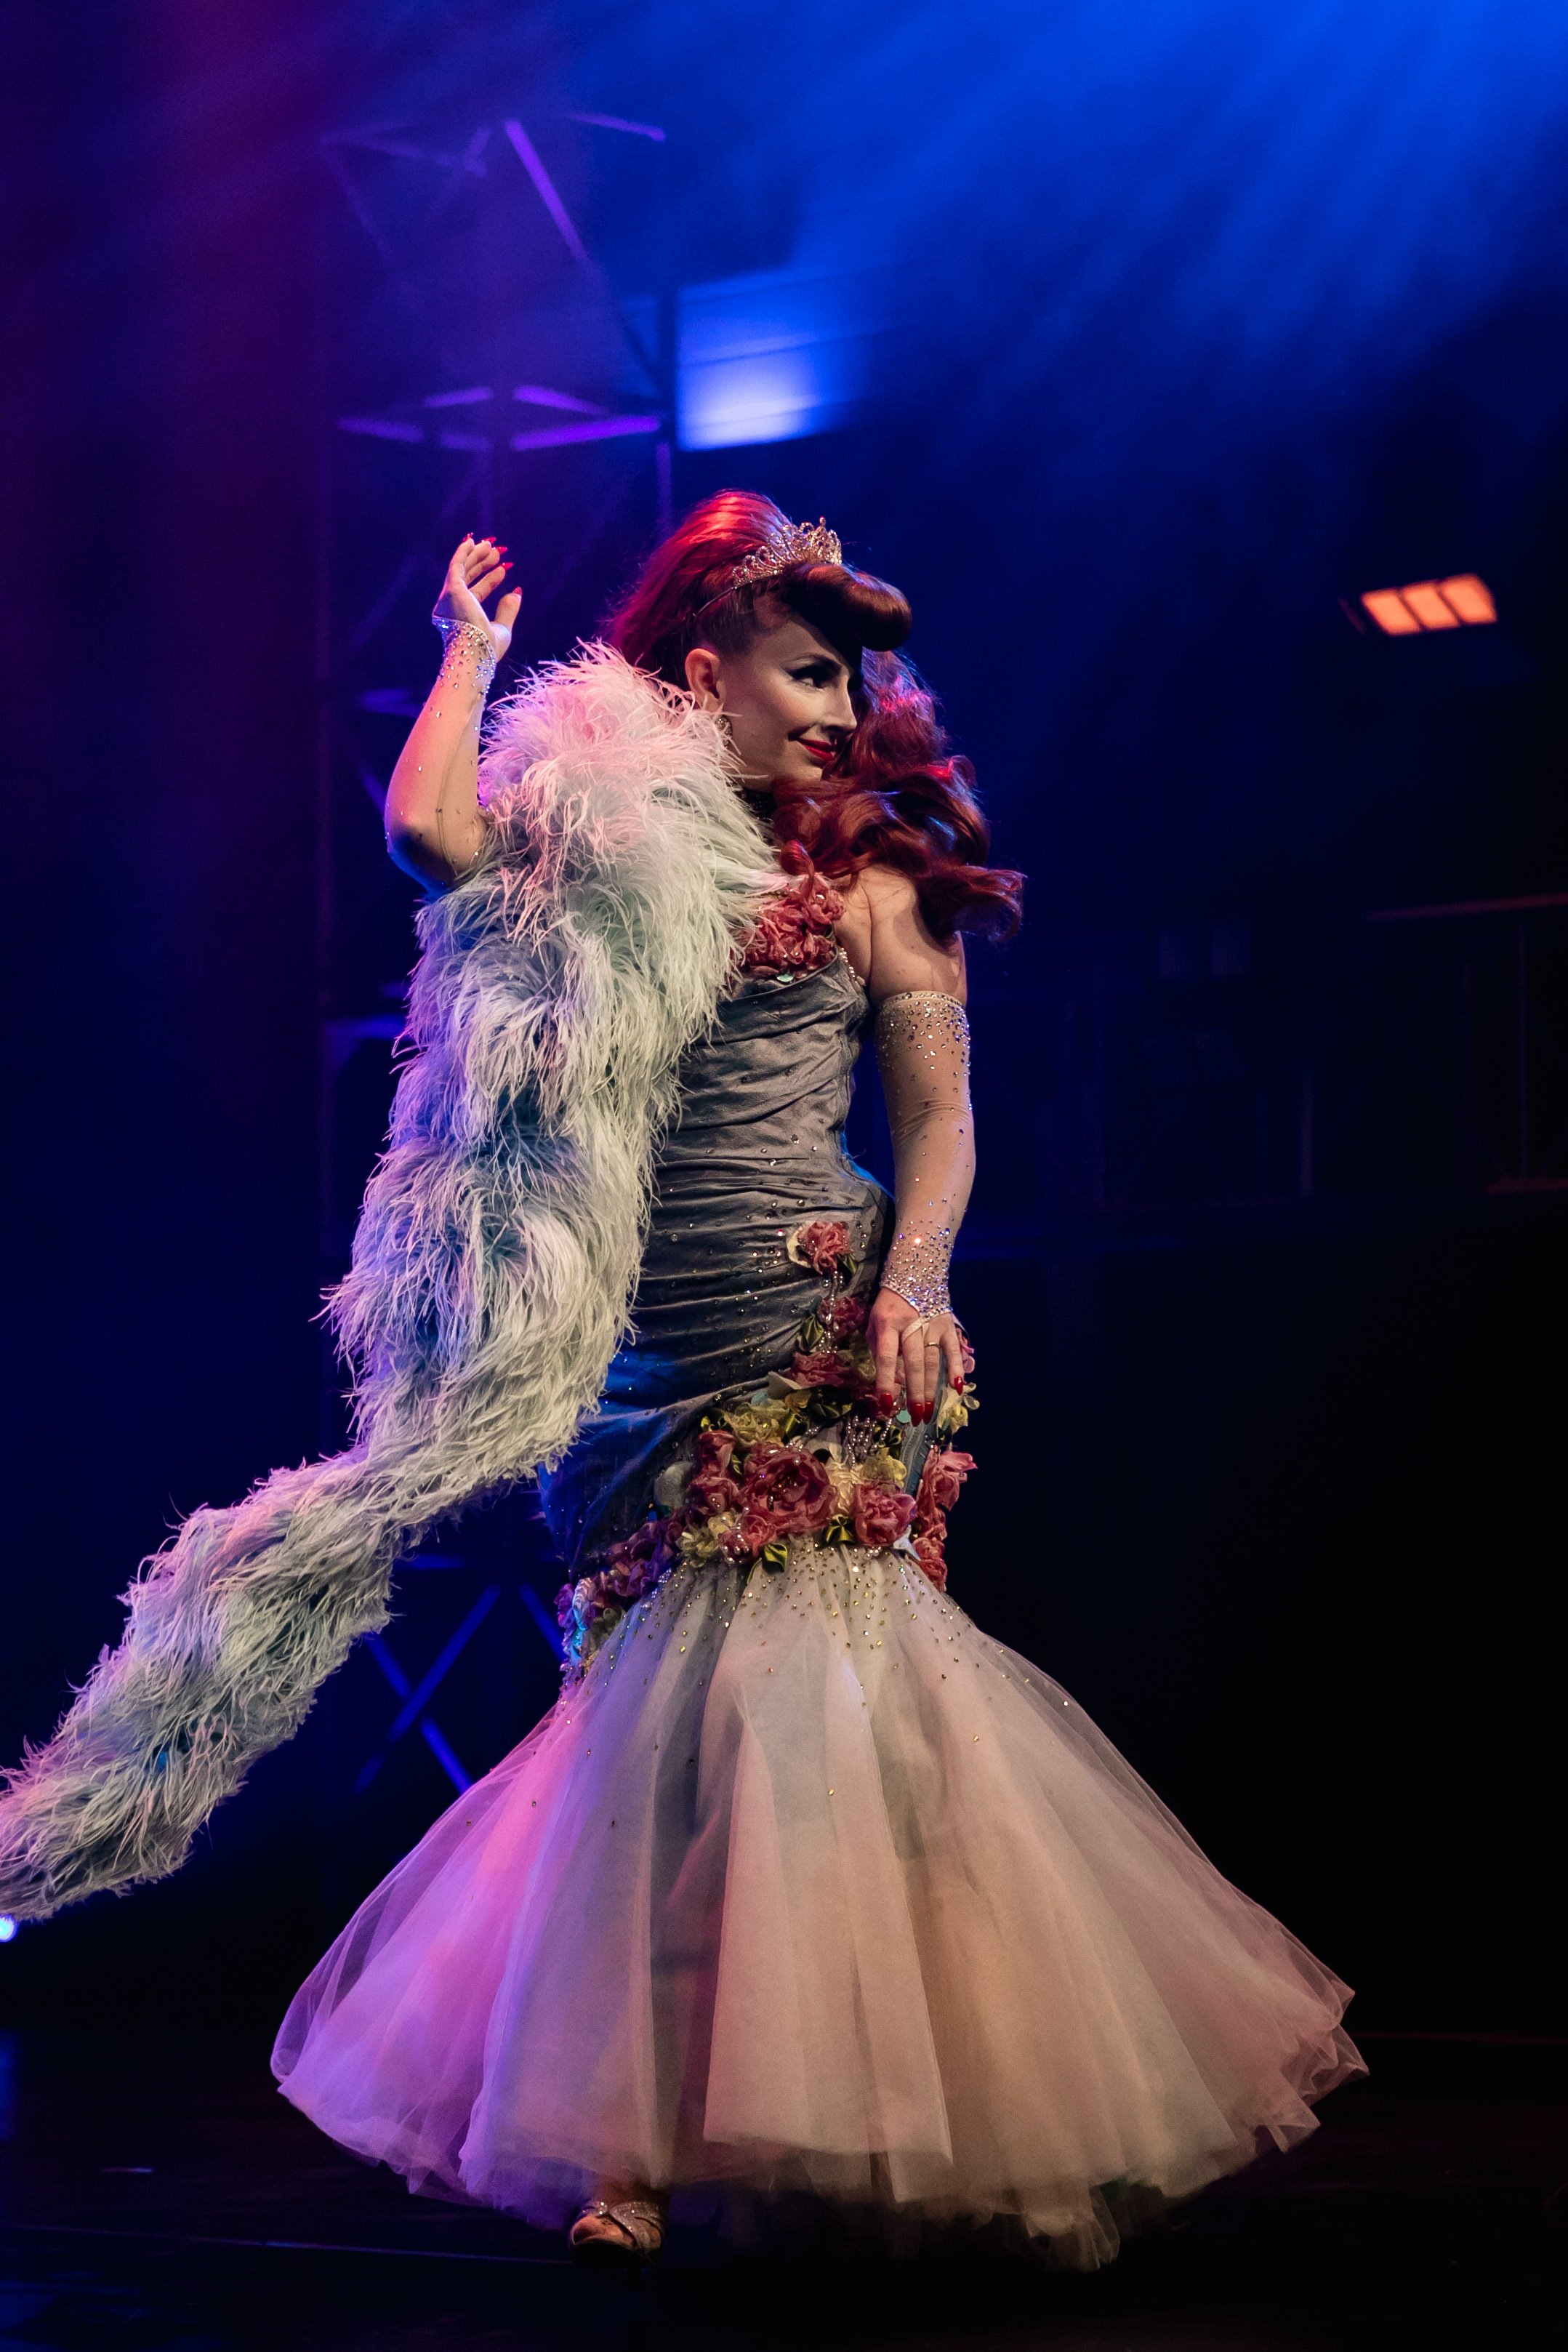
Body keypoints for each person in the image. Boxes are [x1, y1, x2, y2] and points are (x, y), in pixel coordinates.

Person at [262, 493, 1363, 2269]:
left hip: (815, 1326)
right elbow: (425, 835)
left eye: (854, 680)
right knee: (646, 1746)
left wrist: (916, 1283)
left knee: (816, 1716)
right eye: (805, 673)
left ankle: (824, 2120)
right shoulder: (604, 849)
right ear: (706, 674)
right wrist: (469, 657)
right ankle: (622, 2131)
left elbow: (938, 1122)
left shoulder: (871, 880)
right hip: (638, 1360)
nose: (846, 710)